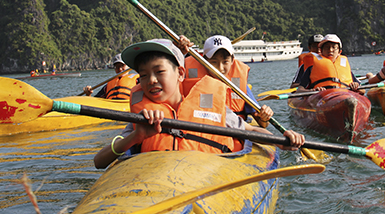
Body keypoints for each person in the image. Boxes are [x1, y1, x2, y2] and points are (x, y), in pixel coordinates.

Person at [94, 39, 305, 169]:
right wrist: (137, 136)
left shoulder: (212, 107)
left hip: (205, 180)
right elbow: (99, 162)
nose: (151, 80)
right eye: (144, 75)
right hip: (155, 179)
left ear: (180, 74)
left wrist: (282, 140)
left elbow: (250, 130)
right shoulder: (141, 119)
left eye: (159, 72)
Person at [181, 35, 274, 128]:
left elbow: (263, 124)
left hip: (234, 134)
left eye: (225, 62)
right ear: (204, 60)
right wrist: (179, 50)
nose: (220, 68)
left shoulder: (239, 85)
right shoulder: (188, 78)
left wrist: (264, 117)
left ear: (232, 60)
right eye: (214, 62)